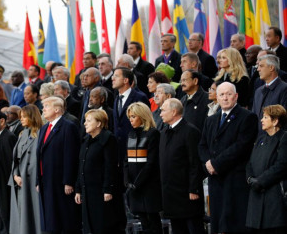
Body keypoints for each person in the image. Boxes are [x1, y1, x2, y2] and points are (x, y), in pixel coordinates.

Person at [198, 82, 258, 234]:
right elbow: (202, 145)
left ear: (236, 96)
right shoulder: (211, 119)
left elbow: (241, 147)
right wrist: (208, 164)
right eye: (222, 94)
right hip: (215, 179)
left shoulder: (248, 117)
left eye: (229, 94)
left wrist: (216, 164)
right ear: (216, 98)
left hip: (234, 179)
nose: (225, 98)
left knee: (234, 224)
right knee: (218, 225)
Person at [75, 109, 126, 234]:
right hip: (87, 191)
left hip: (101, 191)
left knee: (104, 225)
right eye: (85, 121)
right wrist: (78, 189)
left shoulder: (108, 139)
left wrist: (108, 189)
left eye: (88, 121)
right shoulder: (86, 140)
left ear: (98, 123)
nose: (85, 124)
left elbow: (111, 166)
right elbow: (81, 166)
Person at [159, 98, 205, 234]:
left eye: (163, 110)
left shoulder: (191, 131)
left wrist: (194, 189)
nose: (160, 113)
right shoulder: (164, 133)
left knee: (193, 228)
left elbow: (195, 163)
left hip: (187, 193)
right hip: (170, 193)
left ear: (173, 112)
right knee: (177, 228)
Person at [36, 96, 81, 233]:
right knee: (50, 218)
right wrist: (38, 180)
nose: (43, 109)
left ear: (57, 109)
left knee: (64, 218)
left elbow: (71, 155)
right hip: (46, 180)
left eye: (47, 106)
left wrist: (68, 181)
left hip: (61, 181)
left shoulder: (68, 127)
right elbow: (40, 156)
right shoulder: (44, 128)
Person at [246, 105, 287, 233]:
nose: (261, 120)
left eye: (265, 117)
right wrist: (250, 178)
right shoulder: (260, 139)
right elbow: (250, 163)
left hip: (273, 197)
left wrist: (261, 181)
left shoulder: (284, 138)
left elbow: (282, 165)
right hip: (256, 194)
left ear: (275, 121)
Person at [124, 103, 163, 234]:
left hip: (148, 186)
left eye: (133, 116)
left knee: (153, 221)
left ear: (142, 116)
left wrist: (137, 183)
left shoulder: (153, 134)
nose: (131, 120)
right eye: (129, 117)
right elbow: (126, 160)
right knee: (143, 221)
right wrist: (127, 181)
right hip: (134, 187)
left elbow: (151, 163)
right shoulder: (130, 134)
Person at [9, 105, 43, 234]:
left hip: (32, 180)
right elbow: (16, 158)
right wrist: (15, 175)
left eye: (24, 116)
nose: (21, 119)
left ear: (32, 116)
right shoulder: (22, 134)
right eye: (20, 117)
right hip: (20, 180)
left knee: (33, 214)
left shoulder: (41, 133)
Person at [112, 67, 150, 171]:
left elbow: (145, 123)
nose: (112, 78)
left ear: (126, 80)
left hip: (135, 150)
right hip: (119, 152)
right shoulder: (116, 99)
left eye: (116, 76)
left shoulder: (139, 97)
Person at [252, 55, 287, 131]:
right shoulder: (258, 91)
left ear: (271, 68)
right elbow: (254, 117)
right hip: (259, 140)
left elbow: (284, 119)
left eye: (261, 66)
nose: (258, 69)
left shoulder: (284, 89)